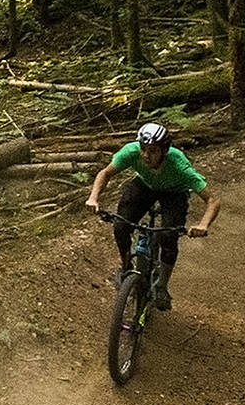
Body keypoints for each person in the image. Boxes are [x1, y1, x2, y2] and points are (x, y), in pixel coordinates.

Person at [85, 121, 221, 311]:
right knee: (121, 226)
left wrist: (203, 225)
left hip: (174, 193)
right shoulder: (131, 152)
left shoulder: (179, 165)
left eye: (152, 151)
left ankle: (162, 286)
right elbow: (105, 173)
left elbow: (213, 200)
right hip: (144, 186)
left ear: (164, 150)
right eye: (143, 149)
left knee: (168, 236)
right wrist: (93, 198)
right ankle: (126, 268)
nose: (146, 155)